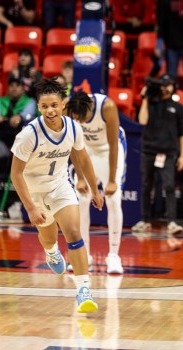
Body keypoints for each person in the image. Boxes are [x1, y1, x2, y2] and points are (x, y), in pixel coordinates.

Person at [10, 78, 104, 313]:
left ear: (63, 104)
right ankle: (51, 252)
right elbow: (16, 174)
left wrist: (95, 189)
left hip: (61, 186)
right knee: (50, 238)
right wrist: (30, 207)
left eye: (54, 105)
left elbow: (82, 159)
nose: (50, 110)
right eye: (44, 106)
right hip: (34, 192)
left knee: (74, 232)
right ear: (39, 108)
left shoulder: (73, 127)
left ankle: (83, 290)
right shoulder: (28, 134)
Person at [64, 90, 127, 274]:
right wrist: (81, 178)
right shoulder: (69, 107)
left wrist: (112, 181)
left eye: (82, 118)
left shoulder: (107, 107)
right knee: (81, 199)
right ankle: (84, 255)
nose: (80, 123)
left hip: (109, 149)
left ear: (89, 108)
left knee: (113, 199)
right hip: (86, 150)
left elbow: (114, 144)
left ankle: (114, 256)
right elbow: (72, 143)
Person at [133, 74, 183, 234]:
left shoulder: (177, 107)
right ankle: (145, 220)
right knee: (146, 186)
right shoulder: (151, 102)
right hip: (149, 150)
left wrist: (182, 155)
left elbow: (182, 133)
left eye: (169, 84)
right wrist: (146, 97)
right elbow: (142, 121)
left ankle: (171, 221)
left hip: (168, 152)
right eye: (163, 84)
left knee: (169, 186)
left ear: (173, 87)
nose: (165, 87)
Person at [0, 77, 37, 148]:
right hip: (1, 132)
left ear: (23, 89)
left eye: (17, 86)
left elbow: (29, 113)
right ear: (8, 88)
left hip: (21, 133)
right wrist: (1, 119)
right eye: (11, 86)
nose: (14, 88)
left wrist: (20, 117)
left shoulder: (30, 101)